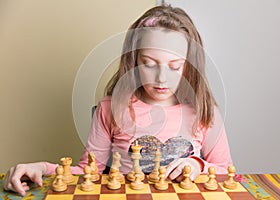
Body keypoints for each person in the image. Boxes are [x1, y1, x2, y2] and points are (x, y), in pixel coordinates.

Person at [4, 5, 233, 196]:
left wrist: (197, 165)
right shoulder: (111, 108)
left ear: (189, 67)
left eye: (175, 66)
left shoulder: (205, 111)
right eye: (149, 63)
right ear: (133, 60)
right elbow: (87, 172)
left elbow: (228, 172)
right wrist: (42, 168)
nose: (162, 78)